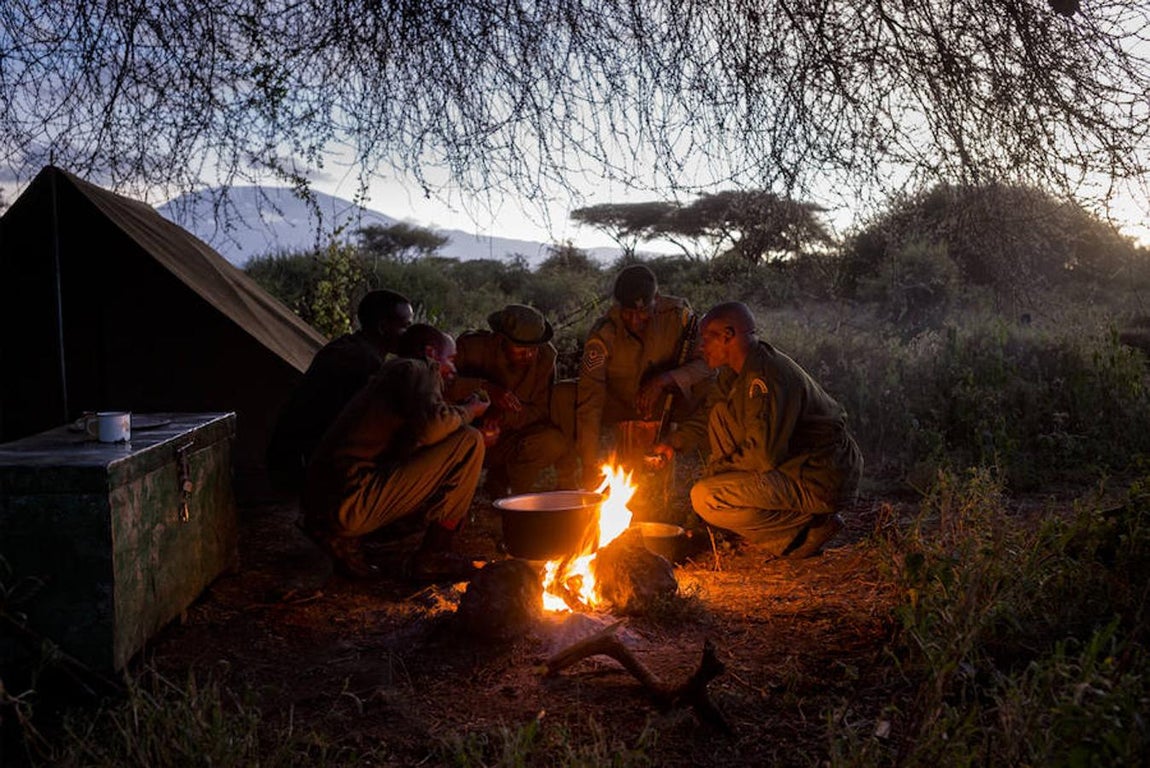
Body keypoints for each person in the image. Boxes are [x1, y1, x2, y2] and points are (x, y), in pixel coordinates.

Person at [653, 301, 863, 559]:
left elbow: (763, 456)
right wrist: (673, 442)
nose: (701, 347)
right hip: (798, 465)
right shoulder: (736, 370)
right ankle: (788, 522)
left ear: (728, 336)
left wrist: (717, 472)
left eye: (706, 339)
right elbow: (709, 416)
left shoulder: (764, 378)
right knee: (720, 415)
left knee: (705, 496)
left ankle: (802, 533)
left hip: (821, 475)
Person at [300, 324, 490, 579]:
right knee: (470, 441)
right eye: (451, 359)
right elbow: (432, 429)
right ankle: (434, 556)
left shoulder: (396, 374)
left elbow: (419, 442)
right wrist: (470, 412)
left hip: (330, 500)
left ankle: (353, 538)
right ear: (431, 353)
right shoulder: (417, 368)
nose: (453, 369)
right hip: (349, 499)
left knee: (462, 441)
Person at [572, 264, 710, 487]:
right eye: (628, 313)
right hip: (621, 403)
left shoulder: (680, 318)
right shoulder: (603, 334)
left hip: (668, 401)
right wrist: (589, 465)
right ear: (618, 306)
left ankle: (714, 472)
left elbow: (707, 364)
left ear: (656, 298)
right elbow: (590, 397)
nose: (635, 321)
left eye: (644, 311)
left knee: (713, 388)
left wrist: (665, 380)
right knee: (565, 395)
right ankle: (566, 476)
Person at [267, 289, 414, 490]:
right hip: (306, 467)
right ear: (382, 327)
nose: (411, 334)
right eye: (405, 326)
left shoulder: (347, 347)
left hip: (296, 459)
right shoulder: (363, 361)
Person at [448, 304, 576, 497]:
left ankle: (512, 491)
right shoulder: (472, 348)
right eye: (521, 348)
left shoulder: (545, 359)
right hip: (466, 435)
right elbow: (440, 388)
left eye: (534, 348)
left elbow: (541, 410)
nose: (529, 355)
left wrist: (502, 416)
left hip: (510, 438)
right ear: (501, 339)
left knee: (552, 442)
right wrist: (484, 388)